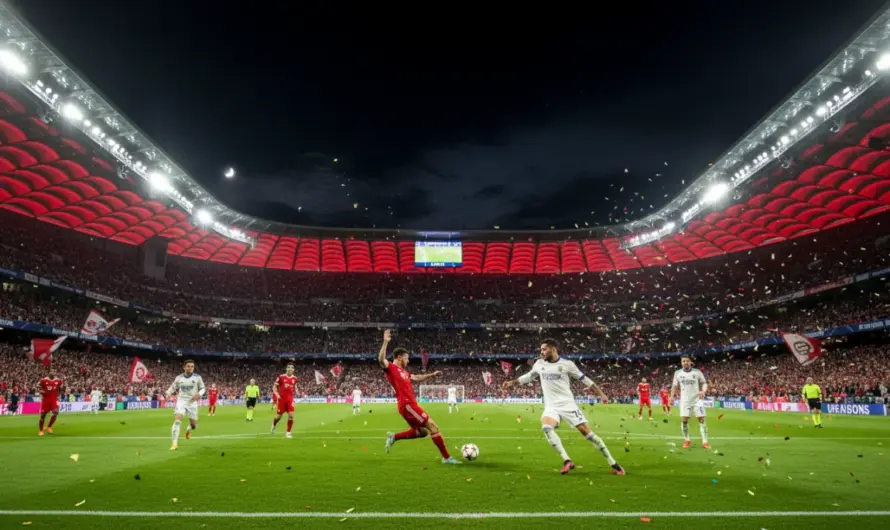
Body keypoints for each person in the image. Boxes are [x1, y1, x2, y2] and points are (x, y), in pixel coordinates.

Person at [502, 338, 625, 476]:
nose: (541, 352)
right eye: (541, 349)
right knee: (547, 428)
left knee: (589, 434)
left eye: (544, 349)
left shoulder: (567, 364)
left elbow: (585, 380)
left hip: (568, 405)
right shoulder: (539, 364)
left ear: (553, 349)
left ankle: (613, 462)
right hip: (551, 406)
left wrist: (601, 394)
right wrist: (511, 383)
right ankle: (567, 460)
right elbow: (528, 377)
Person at [379, 330, 460, 464]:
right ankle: (447, 458)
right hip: (408, 405)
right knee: (433, 427)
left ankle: (394, 437)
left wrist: (431, 375)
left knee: (422, 432)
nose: (408, 360)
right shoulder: (391, 368)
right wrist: (385, 342)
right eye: (406, 358)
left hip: (409, 406)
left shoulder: (403, 372)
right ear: (399, 357)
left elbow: (416, 377)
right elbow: (381, 360)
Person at [671, 355, 710, 449]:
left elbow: (704, 383)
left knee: (701, 419)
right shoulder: (678, 373)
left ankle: (705, 442)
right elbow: (674, 386)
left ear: (690, 362)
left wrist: (703, 391)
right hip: (685, 400)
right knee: (684, 421)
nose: (685, 362)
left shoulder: (697, 372)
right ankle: (687, 440)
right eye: (683, 361)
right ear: (681, 362)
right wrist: (671, 397)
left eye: (687, 361)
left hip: (697, 400)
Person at [165, 359, 206, 451]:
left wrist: (199, 394)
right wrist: (167, 394)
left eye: (192, 366)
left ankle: (188, 429)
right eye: (188, 366)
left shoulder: (198, 377)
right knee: (177, 421)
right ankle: (174, 443)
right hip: (181, 401)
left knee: (194, 425)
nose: (190, 368)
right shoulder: (179, 378)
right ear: (184, 367)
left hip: (192, 403)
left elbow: (203, 388)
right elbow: (173, 387)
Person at [271, 365, 298, 438]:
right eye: (288, 367)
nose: (290, 369)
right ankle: (273, 424)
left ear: (293, 369)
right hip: (282, 400)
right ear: (286, 369)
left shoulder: (295, 378)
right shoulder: (281, 377)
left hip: (290, 400)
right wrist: (277, 394)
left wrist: (298, 392)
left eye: (292, 367)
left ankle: (288, 433)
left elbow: (295, 386)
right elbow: (274, 387)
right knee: (279, 417)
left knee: (291, 416)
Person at [38, 368, 63, 436]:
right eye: (51, 371)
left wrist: (59, 395)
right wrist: (40, 391)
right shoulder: (43, 380)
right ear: (49, 373)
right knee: (43, 415)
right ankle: (41, 430)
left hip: (54, 400)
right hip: (46, 400)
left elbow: (61, 388)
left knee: (56, 412)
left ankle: (49, 427)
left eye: (54, 371)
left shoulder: (58, 380)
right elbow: (37, 386)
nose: (53, 372)